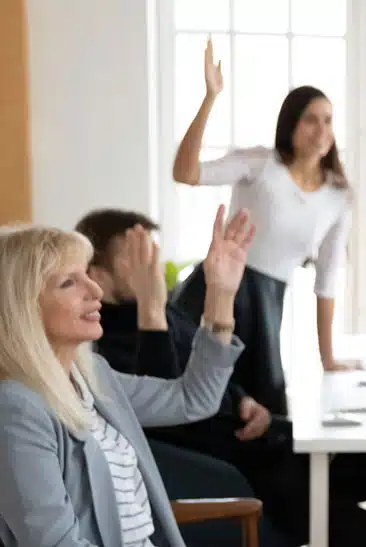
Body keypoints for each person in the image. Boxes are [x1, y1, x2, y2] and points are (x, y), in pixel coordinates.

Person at [75, 208, 366, 547]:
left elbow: (207, 368)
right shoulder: (99, 345)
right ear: (96, 274)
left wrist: (243, 399)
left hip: (274, 447)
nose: (151, 265)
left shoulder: (168, 311)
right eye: (135, 256)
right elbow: (169, 409)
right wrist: (150, 312)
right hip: (244, 475)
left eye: (151, 252)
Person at [0, 205, 250, 547]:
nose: (95, 291)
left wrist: (220, 296)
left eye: (86, 273)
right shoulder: (17, 408)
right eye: (69, 282)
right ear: (23, 307)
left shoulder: (91, 377)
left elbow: (194, 400)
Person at [171, 38, 358, 419]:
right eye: (311, 119)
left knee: (268, 415)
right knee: (206, 398)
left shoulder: (338, 196)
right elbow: (185, 173)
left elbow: (327, 280)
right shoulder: (260, 164)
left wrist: (329, 358)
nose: (321, 129)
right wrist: (210, 98)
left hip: (267, 307)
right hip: (213, 293)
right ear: (291, 124)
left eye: (328, 120)